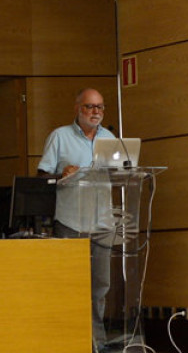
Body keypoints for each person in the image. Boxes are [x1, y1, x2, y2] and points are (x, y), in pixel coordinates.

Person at [37, 88, 115, 353]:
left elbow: (121, 175)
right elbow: (41, 178)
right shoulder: (60, 136)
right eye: (90, 107)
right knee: (70, 284)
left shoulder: (110, 138)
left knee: (100, 288)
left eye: (100, 107)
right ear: (77, 108)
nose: (96, 112)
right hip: (71, 222)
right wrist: (62, 175)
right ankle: (69, 341)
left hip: (103, 222)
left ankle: (96, 343)